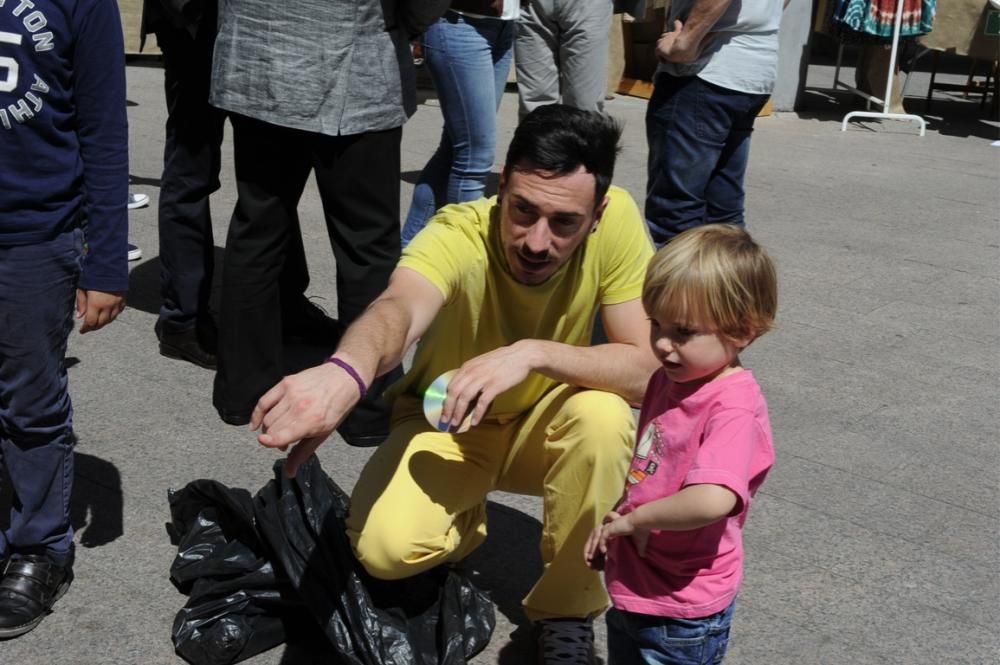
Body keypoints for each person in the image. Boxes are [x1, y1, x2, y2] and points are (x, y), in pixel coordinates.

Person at [250, 105, 659, 664]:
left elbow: (647, 369)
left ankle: (566, 612)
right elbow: (397, 308)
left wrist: (532, 354)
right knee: (383, 550)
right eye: (522, 211)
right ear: (502, 187)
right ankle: (463, 523)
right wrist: (346, 372)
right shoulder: (457, 233)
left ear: (597, 214)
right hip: (449, 420)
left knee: (606, 418)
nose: (537, 241)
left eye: (564, 223)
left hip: (551, 424)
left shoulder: (618, 223)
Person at [207, 0, 449, 439]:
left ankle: (241, 391)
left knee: (257, 229)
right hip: (353, 60)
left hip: (259, 56)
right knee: (367, 245)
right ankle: (369, 407)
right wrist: (406, 22)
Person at [584, 224, 777, 664]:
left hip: (684, 606)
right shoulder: (668, 379)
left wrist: (635, 523)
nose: (663, 344)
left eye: (684, 332)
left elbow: (712, 499)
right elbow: (650, 465)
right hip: (640, 584)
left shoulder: (733, 406)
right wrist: (620, 516)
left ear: (743, 331)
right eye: (656, 324)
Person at [0, 0, 128, 637]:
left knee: (29, 397)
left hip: (32, 233)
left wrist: (106, 260)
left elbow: (104, 130)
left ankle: (40, 546)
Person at [140, 0, 327, 370]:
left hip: (260, 21)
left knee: (272, 167)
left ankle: (284, 301)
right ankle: (183, 320)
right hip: (193, 19)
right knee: (192, 167)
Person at [644, 0, 783, 246]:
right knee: (723, 210)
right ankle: (730, 283)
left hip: (707, 69)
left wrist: (685, 42)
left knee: (676, 210)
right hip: (751, 66)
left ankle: (683, 285)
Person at [400, 0, 516, 246]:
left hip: (504, 24)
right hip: (459, 22)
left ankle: (409, 249)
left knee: (454, 150)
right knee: (475, 159)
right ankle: (463, 265)